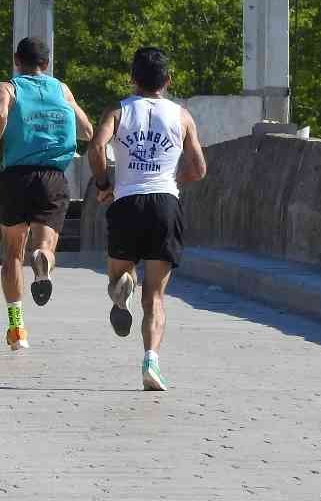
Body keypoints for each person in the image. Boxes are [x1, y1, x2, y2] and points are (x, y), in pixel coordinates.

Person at [87, 46, 207, 391]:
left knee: (117, 275)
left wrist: (103, 184)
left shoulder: (118, 111)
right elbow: (199, 169)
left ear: (132, 79)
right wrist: (172, 179)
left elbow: (96, 148)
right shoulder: (182, 116)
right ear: (167, 81)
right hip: (165, 205)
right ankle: (151, 361)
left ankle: (122, 288)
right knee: (155, 295)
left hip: (127, 202)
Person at [0, 36, 94, 351]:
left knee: (11, 255)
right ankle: (42, 259)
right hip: (53, 177)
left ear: (17, 61)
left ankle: (17, 328)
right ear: (46, 64)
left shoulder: (7, 87)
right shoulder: (62, 89)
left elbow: (0, 112)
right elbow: (87, 130)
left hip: (16, 177)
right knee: (44, 246)